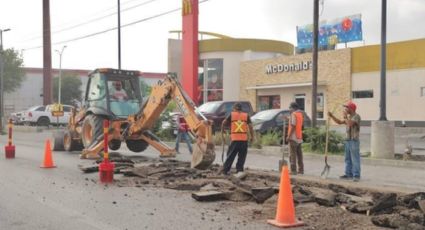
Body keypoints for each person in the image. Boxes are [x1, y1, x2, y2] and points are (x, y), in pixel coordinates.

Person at [328, 101, 361, 182]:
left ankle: (356, 175)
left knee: (355, 159)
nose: (345, 109)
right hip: (347, 140)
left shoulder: (356, 116)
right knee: (347, 159)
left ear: (351, 108)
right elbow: (339, 122)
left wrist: (345, 116)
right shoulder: (349, 117)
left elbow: (350, 124)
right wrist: (332, 116)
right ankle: (348, 174)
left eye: (347, 107)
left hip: (354, 141)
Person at [221, 103, 254, 175]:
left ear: (234, 109)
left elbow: (223, 123)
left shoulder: (232, 115)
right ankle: (239, 170)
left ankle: (225, 170)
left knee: (230, 155)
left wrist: (223, 131)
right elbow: (250, 127)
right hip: (244, 140)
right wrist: (252, 137)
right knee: (242, 157)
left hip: (235, 139)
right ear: (241, 109)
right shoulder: (246, 115)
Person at [285, 102, 304, 175]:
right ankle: (301, 170)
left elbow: (293, 125)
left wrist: (288, 136)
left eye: (290, 108)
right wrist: (287, 118)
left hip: (293, 138)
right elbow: (295, 121)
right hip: (299, 137)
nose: (289, 109)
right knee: (299, 155)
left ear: (292, 108)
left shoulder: (293, 114)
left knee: (292, 155)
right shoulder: (299, 114)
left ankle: (293, 170)